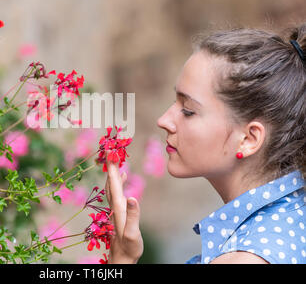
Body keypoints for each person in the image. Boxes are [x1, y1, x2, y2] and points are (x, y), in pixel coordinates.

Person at [105, 24, 306, 264]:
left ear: (249, 139)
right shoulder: (289, 217)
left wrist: (122, 260)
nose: (164, 120)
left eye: (188, 111)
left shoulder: (244, 259)